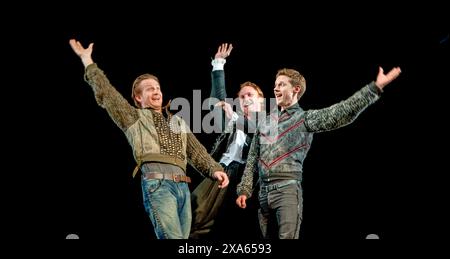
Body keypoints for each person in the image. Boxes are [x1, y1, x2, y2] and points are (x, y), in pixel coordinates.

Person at [68, 39, 229, 239]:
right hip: (158, 186)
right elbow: (106, 94)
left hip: (183, 190)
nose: (157, 91)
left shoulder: (177, 121)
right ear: (138, 98)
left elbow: (196, 153)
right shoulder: (133, 117)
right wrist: (88, 61)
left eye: (158, 87)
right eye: (150, 89)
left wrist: (215, 170)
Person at [236, 66, 402, 239]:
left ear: (296, 89)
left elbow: (341, 112)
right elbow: (252, 158)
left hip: (286, 192)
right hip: (263, 194)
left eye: (282, 85)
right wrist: (244, 190)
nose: (275, 88)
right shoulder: (265, 123)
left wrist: (374, 88)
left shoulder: (304, 118)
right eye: (275, 85)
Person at [190, 43, 263, 239]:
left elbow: (257, 131)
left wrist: (235, 117)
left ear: (261, 100)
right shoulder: (231, 119)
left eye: (250, 95)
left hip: (246, 176)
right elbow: (218, 100)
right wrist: (219, 64)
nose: (246, 98)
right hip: (221, 169)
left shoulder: (268, 119)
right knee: (194, 212)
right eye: (242, 96)